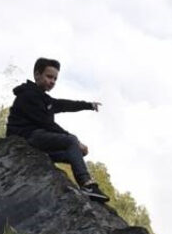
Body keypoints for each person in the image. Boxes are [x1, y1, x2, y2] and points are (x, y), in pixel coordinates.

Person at [7, 57, 110, 201]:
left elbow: (65, 105)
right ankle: (86, 184)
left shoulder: (44, 99)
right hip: (26, 138)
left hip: (37, 142)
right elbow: (47, 124)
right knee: (71, 141)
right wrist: (76, 141)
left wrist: (89, 105)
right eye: (49, 77)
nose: (52, 82)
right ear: (37, 74)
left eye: (55, 79)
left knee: (72, 153)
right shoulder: (28, 96)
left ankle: (88, 185)